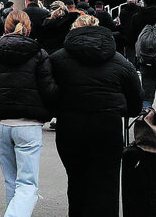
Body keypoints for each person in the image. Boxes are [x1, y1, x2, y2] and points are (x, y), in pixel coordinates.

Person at [49, 13, 143, 217]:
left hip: (70, 125)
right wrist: (122, 109)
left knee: (76, 178)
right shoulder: (120, 60)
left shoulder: (57, 59)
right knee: (107, 180)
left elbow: (49, 92)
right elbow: (136, 100)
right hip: (108, 126)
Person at [0, 10, 57, 217]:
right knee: (27, 183)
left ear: (6, 28)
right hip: (29, 123)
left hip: (1, 123)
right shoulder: (39, 53)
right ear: (29, 29)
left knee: (11, 181)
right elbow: (49, 91)